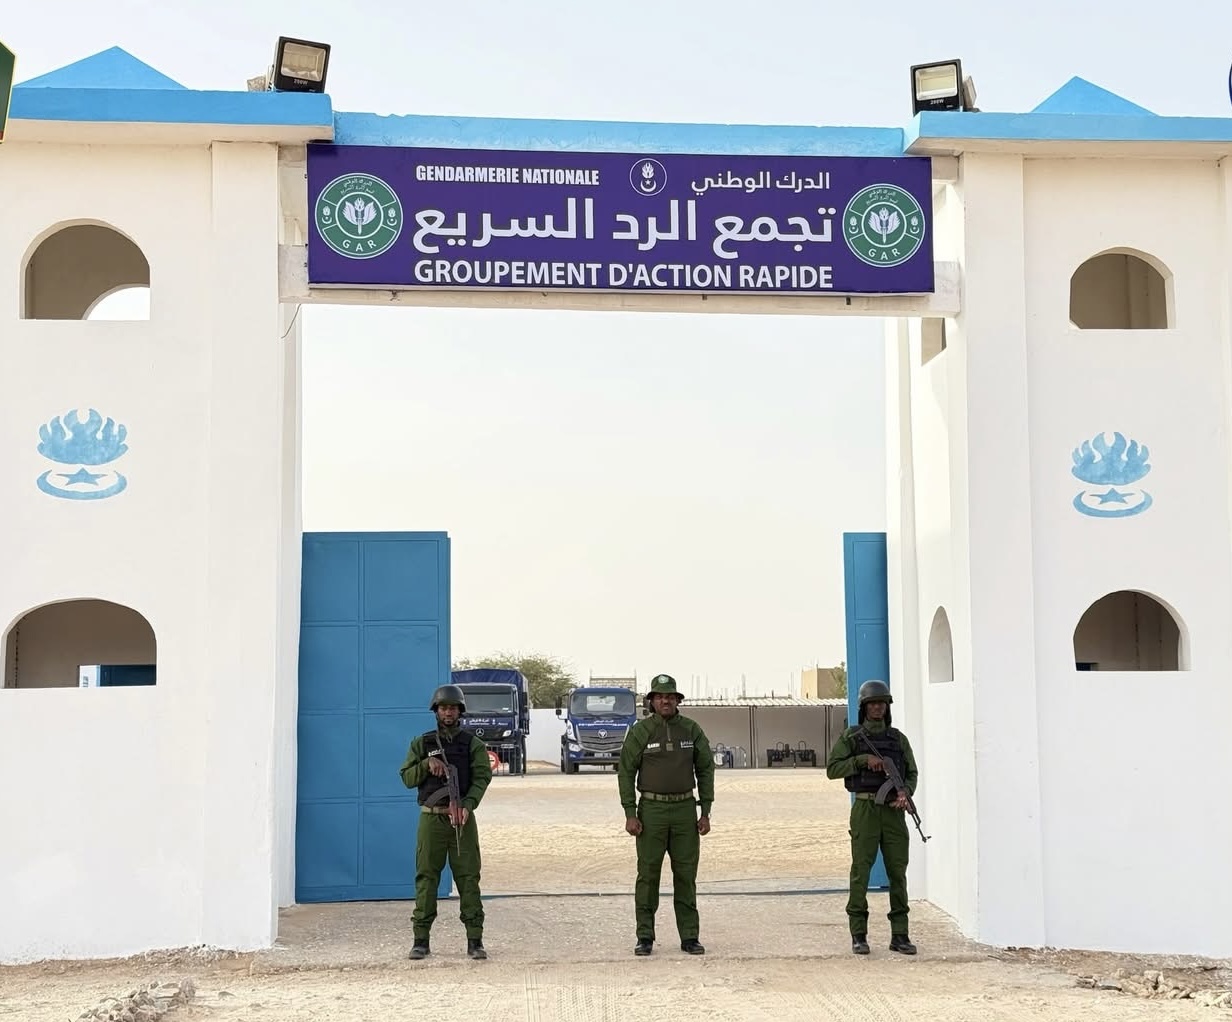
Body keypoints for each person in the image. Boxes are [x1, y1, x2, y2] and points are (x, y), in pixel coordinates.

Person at [616, 674, 715, 957]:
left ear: (678, 700)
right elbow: (626, 771)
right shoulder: (641, 731)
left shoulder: (691, 729)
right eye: (659, 697)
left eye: (670, 696)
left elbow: (705, 768)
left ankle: (690, 936)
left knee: (686, 875)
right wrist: (630, 813)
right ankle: (645, 936)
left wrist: (705, 811)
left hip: (685, 810)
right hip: (651, 811)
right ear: (651, 701)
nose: (665, 701)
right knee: (648, 875)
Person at [398, 683, 493, 961]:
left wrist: (467, 804)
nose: (448, 713)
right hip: (432, 819)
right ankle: (421, 940)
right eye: (443, 708)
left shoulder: (472, 744)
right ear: (436, 711)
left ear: (460, 711)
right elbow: (406, 778)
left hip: (461, 820)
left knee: (468, 878)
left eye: (452, 708)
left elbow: (482, 777)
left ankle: (475, 940)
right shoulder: (422, 743)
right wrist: (427, 765)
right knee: (426, 878)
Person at [825, 679, 920, 956]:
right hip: (865, 810)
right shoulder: (852, 738)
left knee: (898, 873)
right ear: (864, 707)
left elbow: (911, 773)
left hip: (893, 812)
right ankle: (859, 934)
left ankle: (900, 934)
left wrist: (905, 793)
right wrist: (862, 760)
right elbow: (832, 769)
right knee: (861, 872)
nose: (878, 708)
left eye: (882, 703)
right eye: (872, 703)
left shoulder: (898, 739)